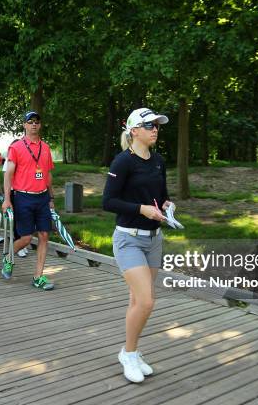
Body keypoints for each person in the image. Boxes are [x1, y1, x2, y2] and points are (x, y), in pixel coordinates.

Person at [102, 107, 172, 383]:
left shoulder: (158, 161)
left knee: (137, 301)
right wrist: (141, 209)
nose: (155, 129)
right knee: (146, 301)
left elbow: (161, 197)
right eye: (149, 125)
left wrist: (166, 206)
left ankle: (132, 350)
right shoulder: (123, 162)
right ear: (134, 131)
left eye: (156, 125)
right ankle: (128, 354)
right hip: (128, 239)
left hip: (153, 240)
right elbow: (108, 202)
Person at [1, 111, 55, 289]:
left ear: (40, 125)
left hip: (42, 197)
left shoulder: (45, 148)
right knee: (25, 238)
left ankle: (38, 277)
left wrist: (51, 198)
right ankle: (9, 257)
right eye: (30, 122)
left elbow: (47, 174)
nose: (34, 125)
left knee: (44, 235)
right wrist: (7, 199)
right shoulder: (16, 147)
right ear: (24, 125)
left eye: (37, 122)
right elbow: (8, 174)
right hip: (23, 196)